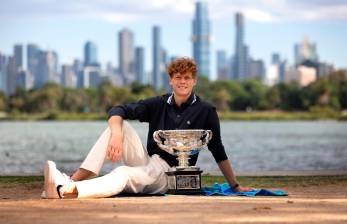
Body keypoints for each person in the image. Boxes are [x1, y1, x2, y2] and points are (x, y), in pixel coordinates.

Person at [43, 57, 252, 199]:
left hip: (170, 172)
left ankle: (67, 190)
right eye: (178, 77)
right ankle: (72, 179)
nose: (182, 81)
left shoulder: (206, 110)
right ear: (171, 80)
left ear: (194, 81)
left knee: (124, 173)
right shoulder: (159, 103)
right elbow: (118, 109)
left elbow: (218, 149)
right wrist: (116, 135)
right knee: (119, 126)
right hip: (150, 161)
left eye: (187, 77)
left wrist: (235, 186)